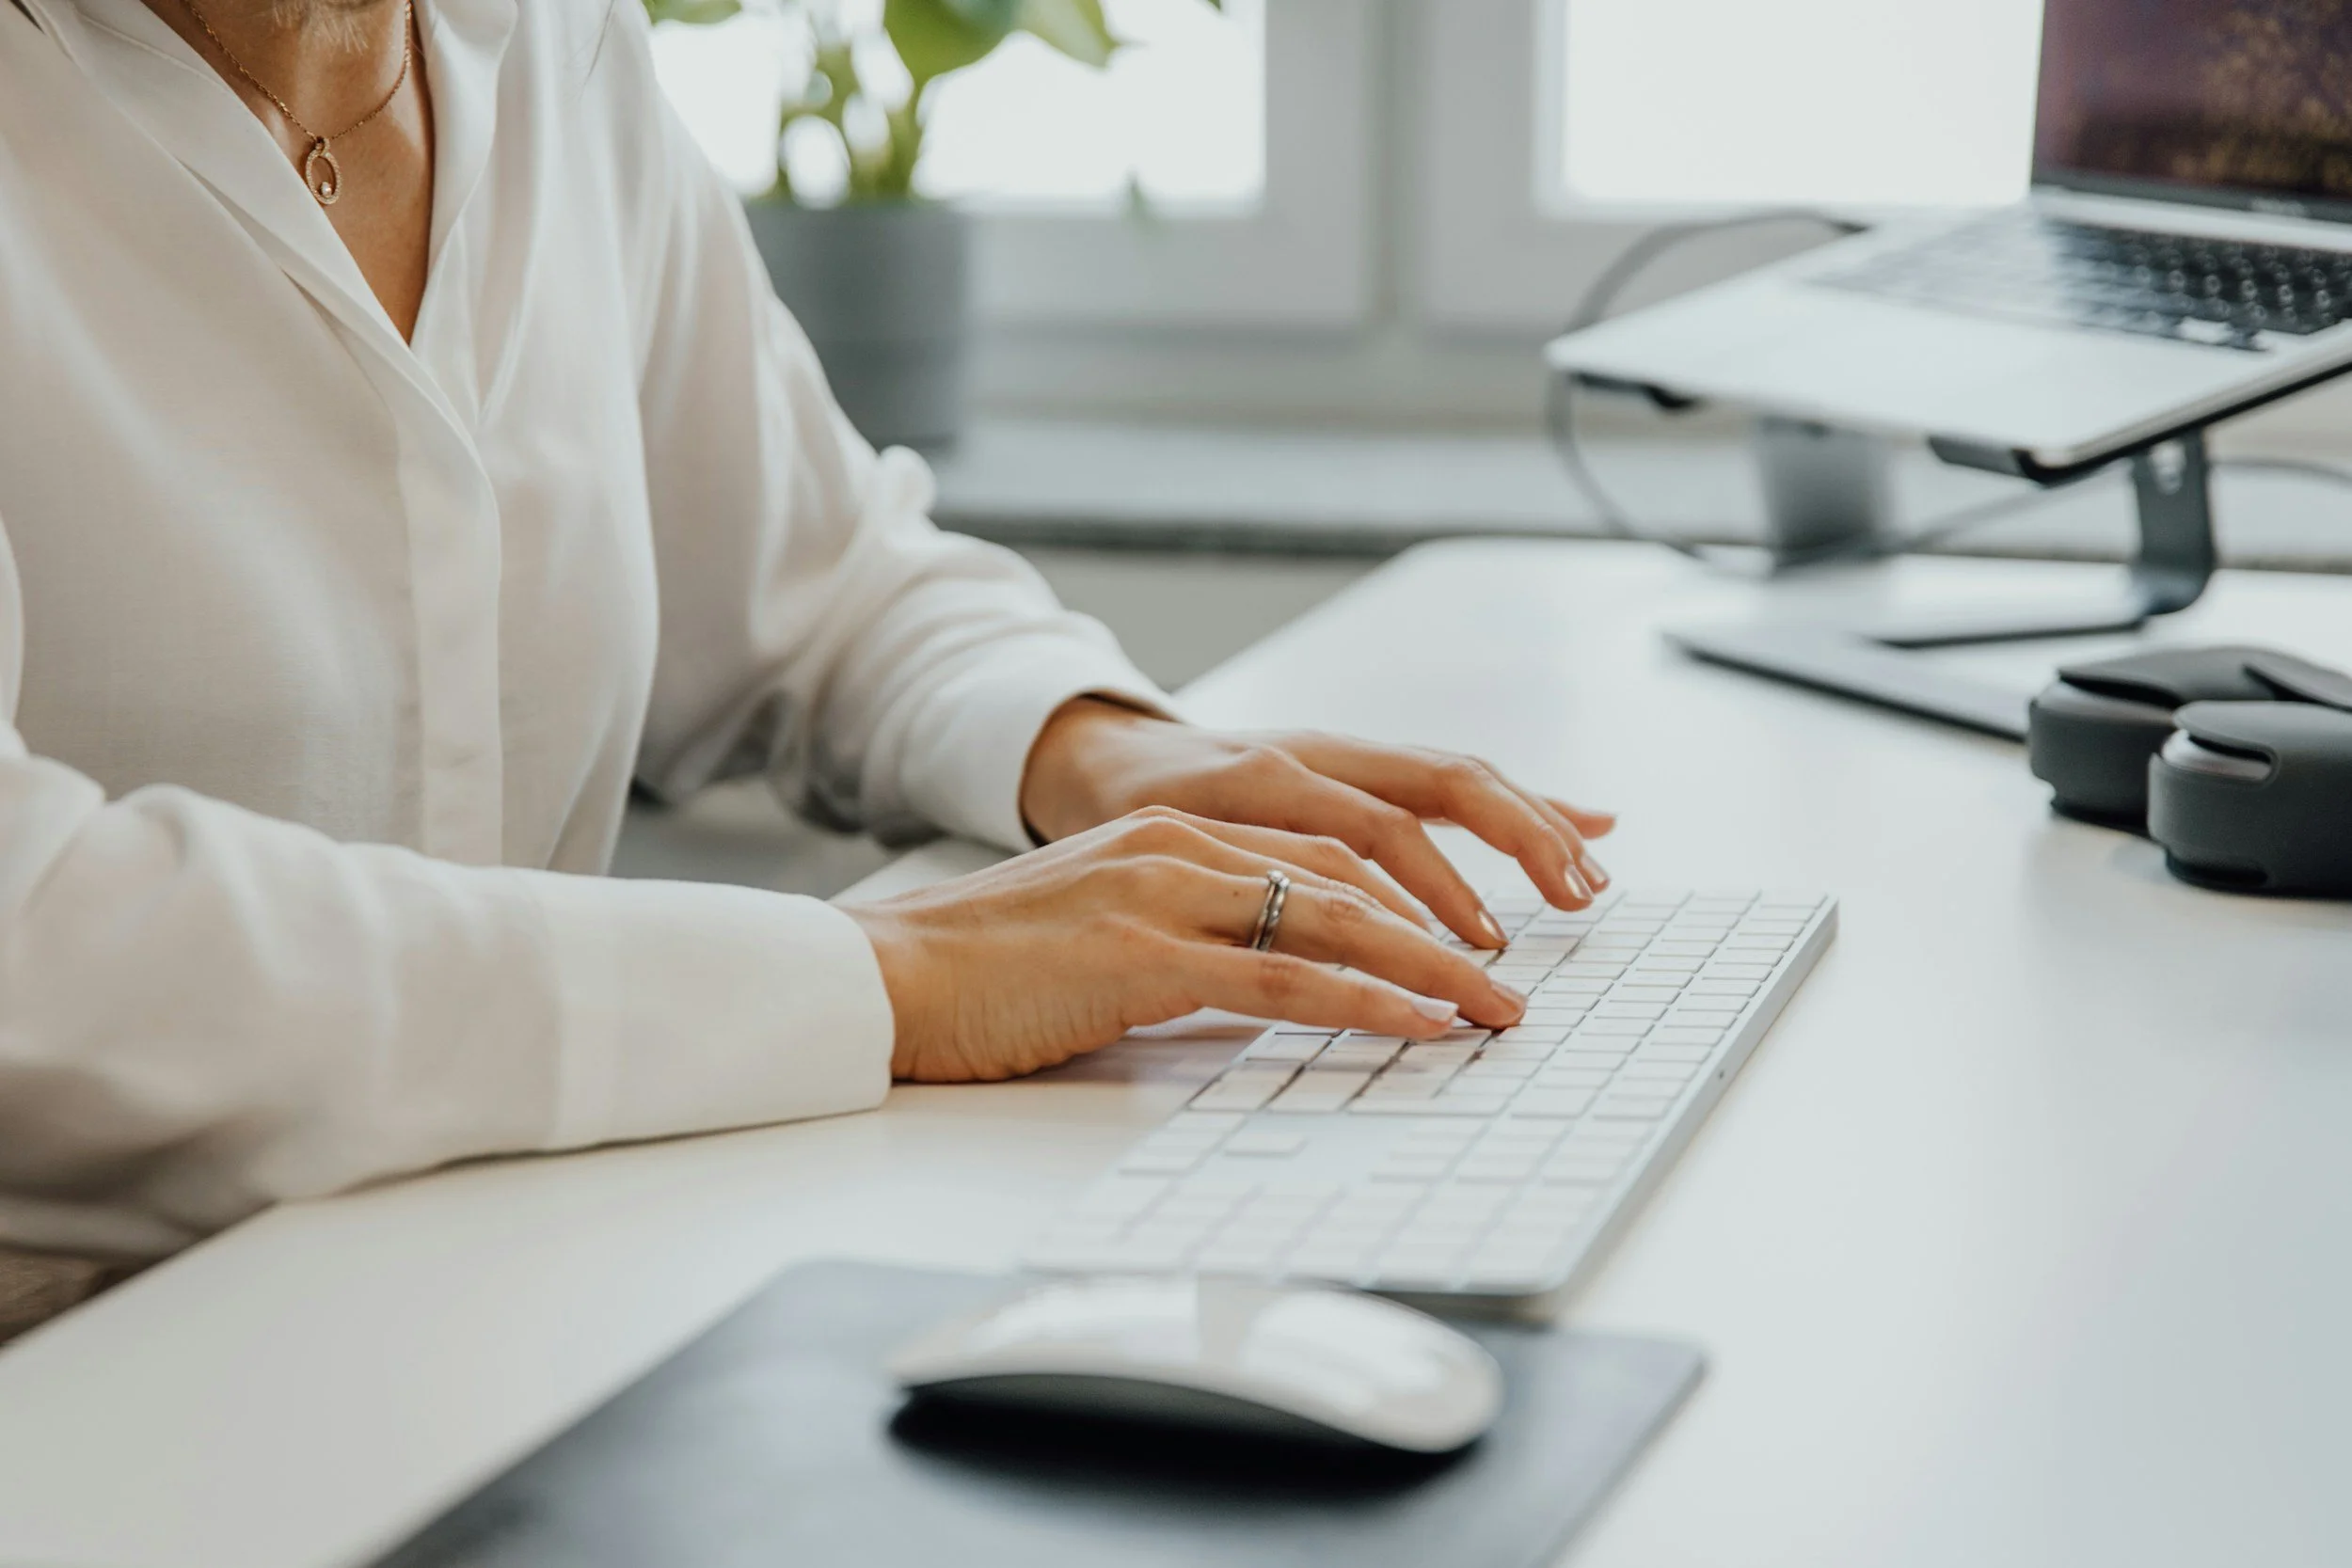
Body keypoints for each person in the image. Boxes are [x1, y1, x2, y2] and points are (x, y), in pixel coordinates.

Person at [0, 0, 1613, 1338]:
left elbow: (815, 574)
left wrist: (1098, 747)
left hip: (476, 1300)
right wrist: (897, 980)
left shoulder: (546, 46)